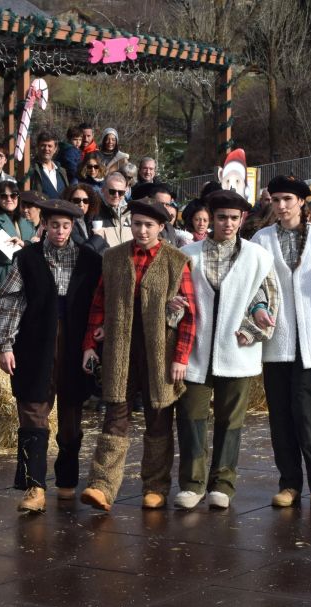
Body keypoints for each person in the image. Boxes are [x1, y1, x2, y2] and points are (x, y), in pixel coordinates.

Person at [79, 198, 195, 512]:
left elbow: (189, 315)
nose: (142, 230)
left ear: (161, 228)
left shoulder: (176, 260)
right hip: (121, 347)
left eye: (149, 225)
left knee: (158, 417)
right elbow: (99, 303)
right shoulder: (114, 257)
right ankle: (101, 486)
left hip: (159, 350)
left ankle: (155, 488)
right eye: (137, 223)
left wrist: (180, 358)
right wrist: (91, 341)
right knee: (115, 413)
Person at [0, 200, 101, 512]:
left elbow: (99, 304)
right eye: (54, 225)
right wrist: (5, 345)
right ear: (44, 226)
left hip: (76, 343)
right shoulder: (26, 258)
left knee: (71, 415)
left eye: (66, 226)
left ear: (73, 227)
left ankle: (66, 481)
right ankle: (33, 487)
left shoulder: (89, 260)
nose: (60, 231)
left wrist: (96, 339)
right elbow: (9, 301)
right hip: (35, 342)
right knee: (32, 411)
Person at [173, 190, 278, 510]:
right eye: (221, 218)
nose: (228, 224)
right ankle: (192, 484)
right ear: (210, 218)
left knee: (231, 422)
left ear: (243, 219)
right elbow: (176, 297)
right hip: (196, 351)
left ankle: (223, 483)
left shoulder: (257, 256)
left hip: (236, 350)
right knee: (191, 418)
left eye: (234, 218)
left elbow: (269, 299)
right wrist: (173, 309)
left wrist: (253, 330)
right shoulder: (187, 254)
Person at [252, 175, 311, 510]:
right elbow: (255, 284)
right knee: (280, 415)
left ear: (302, 202)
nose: (282, 206)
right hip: (277, 339)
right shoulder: (261, 239)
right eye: (276, 200)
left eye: (288, 199)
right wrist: (259, 307)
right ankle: (289, 483)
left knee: (307, 412)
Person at [0, 181, 38, 285]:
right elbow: (6, 255)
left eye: (13, 195)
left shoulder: (26, 222)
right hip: (4, 280)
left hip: (28, 279)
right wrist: (30, 245)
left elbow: (39, 253)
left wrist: (25, 245)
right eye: (4, 196)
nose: (9, 199)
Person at [61, 183, 108, 253]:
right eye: (76, 200)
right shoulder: (66, 221)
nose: (81, 204)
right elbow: (85, 247)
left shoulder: (91, 218)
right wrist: (98, 237)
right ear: (69, 201)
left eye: (86, 201)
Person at [25, 131, 68, 198]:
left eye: (50, 146)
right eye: (43, 145)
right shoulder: (30, 169)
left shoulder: (61, 171)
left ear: (55, 149)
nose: (46, 149)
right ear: (38, 147)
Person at [96, 172, 131, 247]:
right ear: (103, 190)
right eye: (112, 191)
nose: (116, 195)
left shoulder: (130, 213)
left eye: (121, 192)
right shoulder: (94, 211)